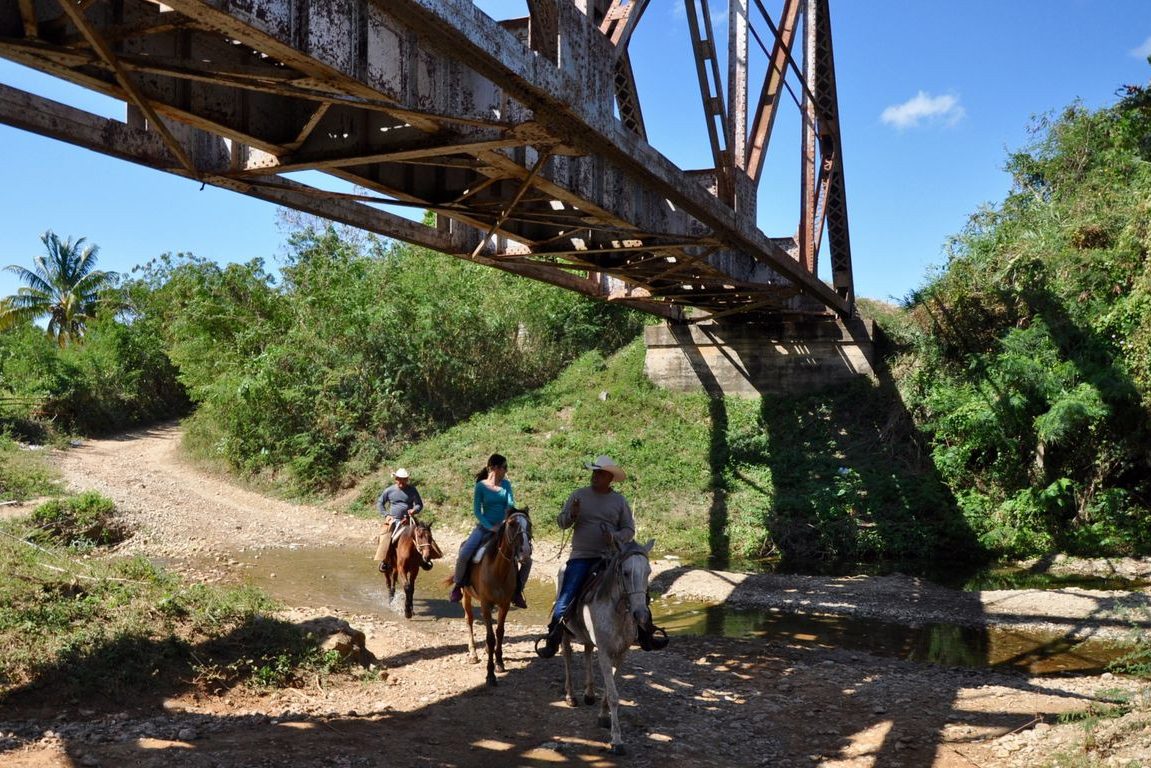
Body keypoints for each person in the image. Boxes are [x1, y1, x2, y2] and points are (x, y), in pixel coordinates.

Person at [535, 455, 635, 659]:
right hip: (583, 556)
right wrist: (572, 514)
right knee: (566, 595)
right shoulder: (578, 495)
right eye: (594, 472)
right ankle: (553, 635)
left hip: (610, 557)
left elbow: (629, 529)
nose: (595, 476)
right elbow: (562, 523)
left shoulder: (619, 501)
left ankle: (643, 628)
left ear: (609, 477)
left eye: (599, 473)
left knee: (635, 586)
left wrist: (615, 536)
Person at [448, 453, 531, 609]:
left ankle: (517, 591)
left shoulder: (506, 485)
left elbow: (510, 504)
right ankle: (458, 585)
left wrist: (507, 522)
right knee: (465, 552)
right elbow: (477, 511)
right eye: (504, 467)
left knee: (527, 559)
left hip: (504, 527)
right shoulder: (481, 486)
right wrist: (490, 526)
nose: (506, 470)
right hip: (485, 527)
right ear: (494, 468)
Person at [373, 467, 424, 573]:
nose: (402, 481)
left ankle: (424, 560)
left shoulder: (412, 490)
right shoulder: (389, 490)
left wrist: (414, 510)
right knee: (386, 538)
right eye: (399, 479)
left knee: (424, 536)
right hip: (394, 520)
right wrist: (386, 515)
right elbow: (380, 503)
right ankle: (385, 561)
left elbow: (419, 504)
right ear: (396, 479)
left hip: (409, 520)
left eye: (404, 479)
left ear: (407, 479)